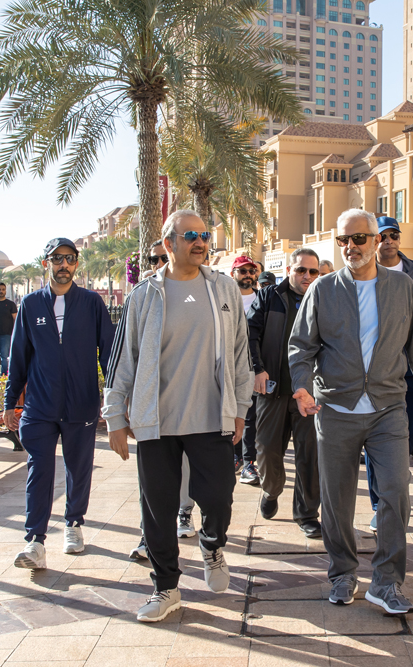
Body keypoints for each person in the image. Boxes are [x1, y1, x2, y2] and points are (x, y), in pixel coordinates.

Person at [289, 208, 413, 615]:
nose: (350, 248)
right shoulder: (323, 289)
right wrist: (301, 386)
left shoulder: (402, 288)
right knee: (337, 499)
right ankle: (343, 571)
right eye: (343, 240)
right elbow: (301, 346)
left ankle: (387, 581)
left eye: (359, 239)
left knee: (396, 491)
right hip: (336, 408)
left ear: (377, 241)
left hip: (387, 407)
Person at [103, 210, 253, 622]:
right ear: (169, 243)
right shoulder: (143, 295)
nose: (201, 242)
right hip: (157, 422)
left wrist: (240, 407)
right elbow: (122, 361)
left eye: (205, 235)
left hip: (212, 417)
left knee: (220, 497)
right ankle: (166, 587)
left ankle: (211, 543)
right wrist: (116, 415)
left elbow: (241, 354)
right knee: (158, 510)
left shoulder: (223, 288)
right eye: (191, 236)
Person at [4, 238, 114, 569]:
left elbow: (108, 352)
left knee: (78, 468)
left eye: (69, 259)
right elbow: (18, 357)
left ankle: (74, 524)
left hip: (81, 403)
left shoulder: (92, 303)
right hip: (39, 405)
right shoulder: (31, 304)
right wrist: (10, 401)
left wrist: (113, 396)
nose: (63, 265)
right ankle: (35, 541)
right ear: (46, 263)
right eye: (57, 259)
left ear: (76, 264)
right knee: (40, 468)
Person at [247, 248, 322, 538]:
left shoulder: (323, 300)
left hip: (310, 393)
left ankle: (306, 514)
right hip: (273, 390)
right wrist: (257, 369)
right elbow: (250, 334)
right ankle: (271, 489)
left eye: (312, 271)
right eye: (301, 270)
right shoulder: (269, 298)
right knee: (267, 449)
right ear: (289, 270)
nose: (306, 276)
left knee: (309, 456)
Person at [131, 240, 197, 561]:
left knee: (184, 467)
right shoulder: (141, 296)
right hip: (152, 404)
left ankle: (184, 512)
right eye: (153, 258)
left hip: (188, 401)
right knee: (151, 477)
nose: (158, 262)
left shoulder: (196, 292)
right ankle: (148, 533)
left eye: (163, 257)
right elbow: (128, 351)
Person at [374, 216, 413, 458]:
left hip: (408, 358)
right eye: (383, 236)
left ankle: (407, 448)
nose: (389, 241)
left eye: (394, 236)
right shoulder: (364, 270)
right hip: (373, 360)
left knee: (410, 407)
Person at [231, 255, 261, 484]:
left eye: (251, 271)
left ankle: (248, 463)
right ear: (234, 274)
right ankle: (232, 458)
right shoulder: (224, 299)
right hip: (226, 368)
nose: (248, 275)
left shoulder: (263, 300)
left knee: (250, 416)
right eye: (243, 271)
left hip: (252, 368)